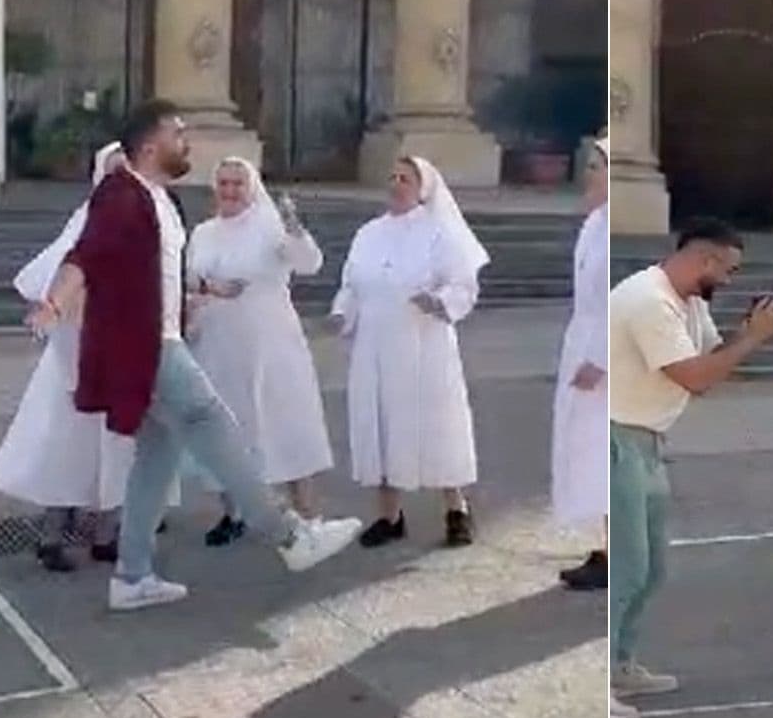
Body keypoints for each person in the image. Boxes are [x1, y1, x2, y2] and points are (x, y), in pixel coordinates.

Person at [32, 98, 364, 611]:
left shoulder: (160, 199)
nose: (186, 141)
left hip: (159, 339)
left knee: (156, 456)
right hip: (148, 347)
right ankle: (291, 536)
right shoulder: (122, 193)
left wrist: (186, 302)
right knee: (215, 426)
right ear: (149, 145)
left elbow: (147, 274)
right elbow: (87, 254)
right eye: (177, 133)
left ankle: (132, 574)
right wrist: (54, 302)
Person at [607, 219, 773, 718]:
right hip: (616, 438)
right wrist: (753, 339)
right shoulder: (650, 300)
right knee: (627, 568)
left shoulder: (688, 301)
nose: (729, 281)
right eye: (728, 270)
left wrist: (750, 331)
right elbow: (696, 379)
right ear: (705, 260)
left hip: (645, 441)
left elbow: (709, 357)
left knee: (650, 569)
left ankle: (620, 664)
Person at [0, 143, 140, 570]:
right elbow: (53, 278)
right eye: (114, 172)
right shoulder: (88, 222)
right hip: (75, 355)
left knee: (117, 446)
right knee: (65, 443)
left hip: (123, 354)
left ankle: (107, 534)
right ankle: (52, 536)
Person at [331, 156, 489, 550]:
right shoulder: (368, 233)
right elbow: (351, 283)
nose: (397, 184)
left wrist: (439, 302)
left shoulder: (440, 232)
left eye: (406, 178)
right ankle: (389, 515)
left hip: (424, 346)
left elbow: (463, 283)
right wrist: (340, 313)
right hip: (376, 346)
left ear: (424, 188)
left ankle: (456, 510)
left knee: (436, 425)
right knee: (382, 423)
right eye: (393, 177)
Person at [185, 156, 334, 541]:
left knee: (284, 423)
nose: (230, 191)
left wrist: (294, 228)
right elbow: (191, 279)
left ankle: (307, 513)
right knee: (227, 427)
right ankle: (233, 512)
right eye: (224, 183)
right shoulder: (203, 232)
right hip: (218, 343)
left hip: (270, 343)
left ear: (251, 188)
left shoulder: (271, 229)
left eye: (238, 184)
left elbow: (309, 263)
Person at [554, 141, 609, 590]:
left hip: (603, 353)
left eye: (597, 167)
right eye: (588, 166)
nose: (589, 174)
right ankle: (607, 545)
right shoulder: (593, 224)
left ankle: (615, 552)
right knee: (586, 449)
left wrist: (601, 358)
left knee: (602, 447)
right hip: (583, 339)